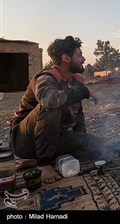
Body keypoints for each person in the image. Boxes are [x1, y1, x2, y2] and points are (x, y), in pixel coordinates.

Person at [9, 36, 106, 184]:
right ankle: (44, 164)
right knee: (51, 105)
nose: (84, 58)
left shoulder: (75, 81)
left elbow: (78, 114)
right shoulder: (45, 78)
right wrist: (84, 92)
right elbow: (48, 101)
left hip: (53, 137)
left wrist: (83, 139)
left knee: (96, 148)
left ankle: (37, 160)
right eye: (79, 55)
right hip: (24, 140)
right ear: (66, 58)